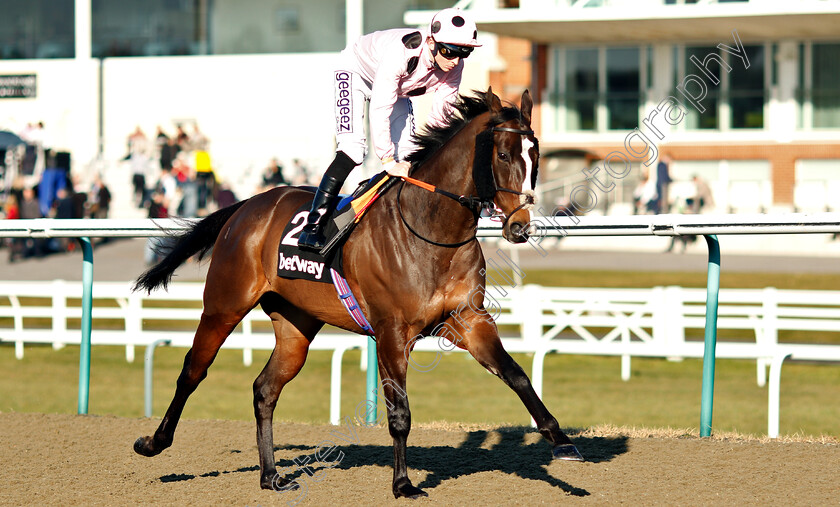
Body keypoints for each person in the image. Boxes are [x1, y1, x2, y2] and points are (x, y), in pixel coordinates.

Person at [296, 7, 481, 251]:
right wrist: (386, 159)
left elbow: (441, 118)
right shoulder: (402, 53)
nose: (455, 60)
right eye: (449, 51)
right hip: (355, 73)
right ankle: (313, 227)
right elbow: (381, 107)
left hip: (397, 88)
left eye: (464, 53)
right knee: (354, 149)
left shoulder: (454, 66)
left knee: (409, 156)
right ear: (431, 42)